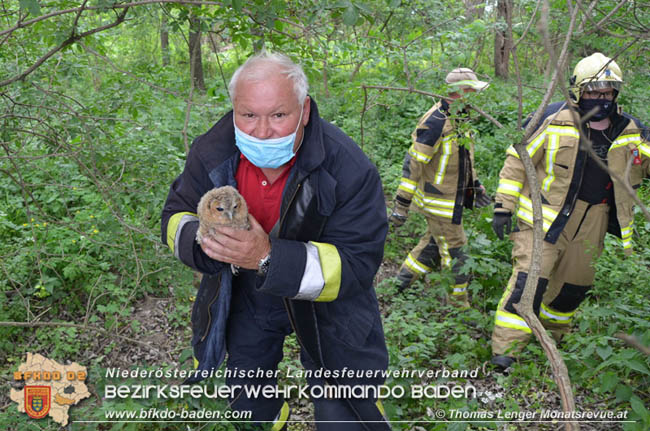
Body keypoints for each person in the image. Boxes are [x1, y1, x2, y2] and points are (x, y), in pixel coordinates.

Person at [161, 51, 391, 430]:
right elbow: (176, 216)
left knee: (350, 411)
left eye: (278, 115)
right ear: (234, 107)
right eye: (248, 115)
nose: (262, 131)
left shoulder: (347, 165)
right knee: (249, 407)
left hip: (330, 306)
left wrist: (268, 257)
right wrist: (204, 242)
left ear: (304, 110)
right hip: (247, 293)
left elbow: (356, 264)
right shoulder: (213, 150)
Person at [490, 52, 650, 370]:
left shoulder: (631, 129)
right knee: (528, 283)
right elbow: (517, 159)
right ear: (579, 91)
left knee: (574, 287)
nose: (600, 98)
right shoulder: (553, 117)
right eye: (593, 92)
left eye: (606, 93)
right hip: (544, 217)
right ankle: (505, 355)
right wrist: (503, 207)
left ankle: (550, 342)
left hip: (595, 219)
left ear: (616, 93)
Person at [389, 68, 492, 308]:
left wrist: (475, 187)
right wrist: (401, 205)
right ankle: (459, 307)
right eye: (472, 91)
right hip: (438, 203)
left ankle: (399, 284)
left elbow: (463, 159)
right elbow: (413, 164)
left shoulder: (461, 118)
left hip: (452, 200)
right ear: (458, 93)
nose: (476, 97)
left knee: (432, 245)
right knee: (457, 255)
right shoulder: (435, 121)